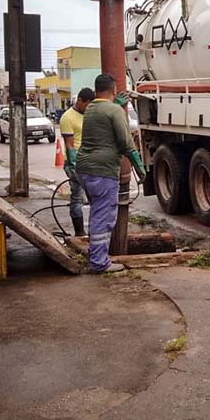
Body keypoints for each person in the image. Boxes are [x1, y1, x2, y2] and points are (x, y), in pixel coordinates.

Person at [75, 74, 147, 274]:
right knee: (103, 217)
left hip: (84, 169)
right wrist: (139, 167)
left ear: (95, 90)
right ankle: (99, 262)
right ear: (114, 90)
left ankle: (95, 255)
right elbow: (126, 143)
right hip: (103, 171)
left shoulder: (90, 108)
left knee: (97, 213)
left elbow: (104, 118)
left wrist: (116, 105)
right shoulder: (114, 111)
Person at [59, 88, 95, 236]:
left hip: (90, 162)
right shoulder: (67, 118)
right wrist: (74, 166)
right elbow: (69, 145)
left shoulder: (90, 115)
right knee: (77, 197)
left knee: (94, 198)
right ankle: (79, 233)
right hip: (75, 163)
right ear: (79, 100)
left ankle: (94, 232)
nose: (88, 108)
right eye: (86, 105)